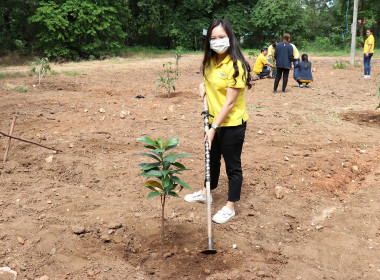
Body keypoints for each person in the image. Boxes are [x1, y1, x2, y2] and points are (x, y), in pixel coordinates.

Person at [184, 19, 251, 224]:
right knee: (211, 159)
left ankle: (230, 207)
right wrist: (203, 86)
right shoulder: (210, 61)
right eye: (213, 38)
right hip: (212, 121)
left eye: (221, 37)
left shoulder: (237, 66)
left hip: (230, 123)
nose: (217, 41)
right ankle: (206, 192)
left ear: (230, 37)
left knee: (232, 165)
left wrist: (213, 129)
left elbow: (230, 103)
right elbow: (209, 80)